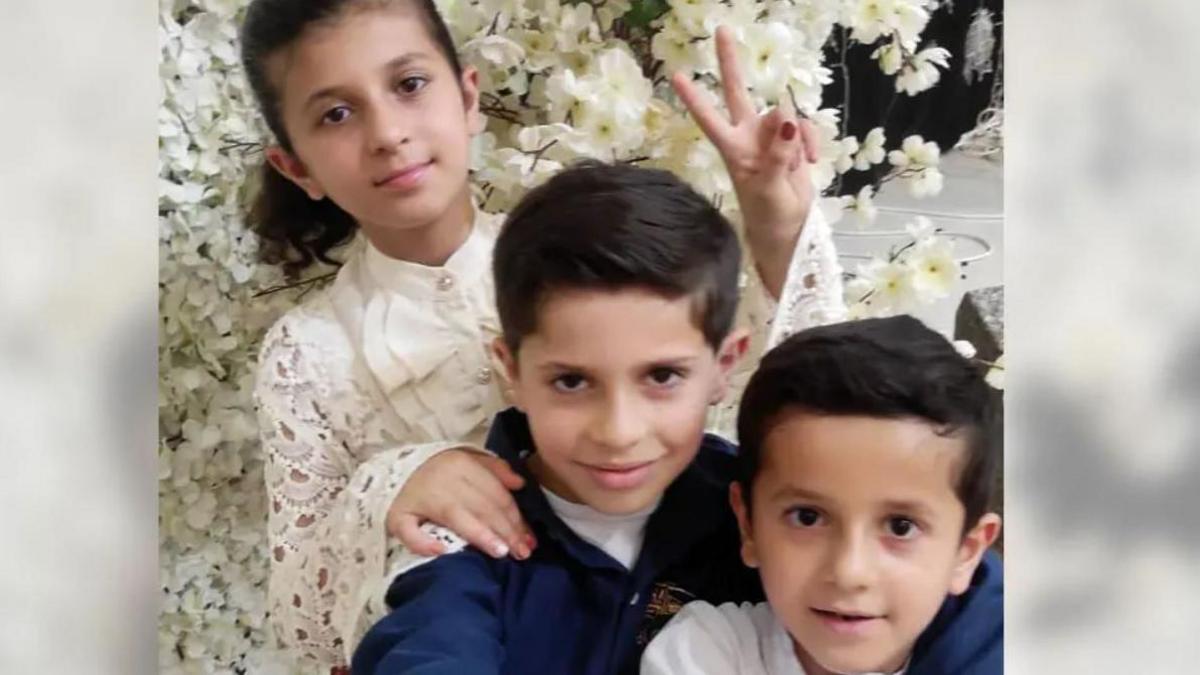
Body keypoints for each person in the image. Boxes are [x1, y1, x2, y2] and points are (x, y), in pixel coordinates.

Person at [238, 0, 845, 666]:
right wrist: (394, 481)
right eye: (336, 114)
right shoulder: (309, 353)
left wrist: (776, 224)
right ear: (296, 167)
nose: (387, 133)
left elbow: (798, 421)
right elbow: (303, 626)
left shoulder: (571, 256)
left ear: (469, 96)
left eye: (409, 85)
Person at [353, 160, 767, 675]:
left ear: (724, 365)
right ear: (512, 371)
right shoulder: (467, 533)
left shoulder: (758, 511)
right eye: (571, 382)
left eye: (662, 377)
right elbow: (431, 644)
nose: (618, 432)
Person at [641, 315, 1004, 675]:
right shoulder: (703, 651)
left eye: (901, 526)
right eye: (807, 517)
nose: (849, 572)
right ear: (748, 524)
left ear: (967, 551)